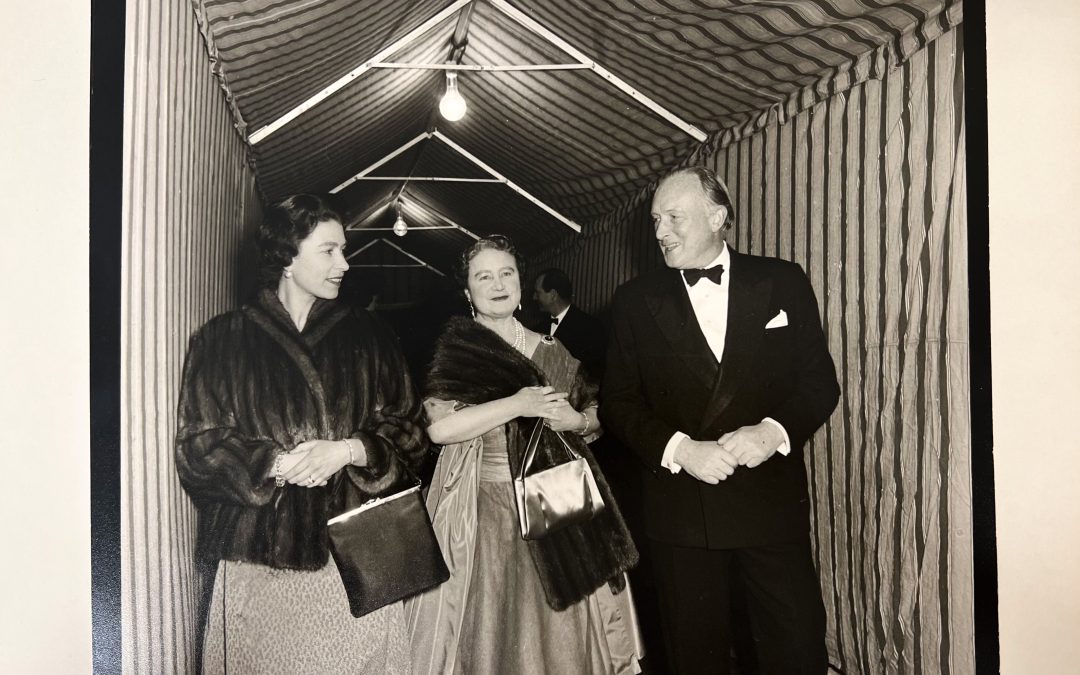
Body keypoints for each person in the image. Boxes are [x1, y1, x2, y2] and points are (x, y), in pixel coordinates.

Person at [601, 167, 840, 675]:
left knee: (794, 650)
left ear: (717, 216)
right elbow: (617, 404)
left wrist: (771, 431)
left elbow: (819, 384)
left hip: (770, 507)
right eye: (655, 220)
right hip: (682, 513)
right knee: (696, 656)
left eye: (674, 217)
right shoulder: (633, 302)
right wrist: (682, 450)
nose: (661, 231)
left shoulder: (782, 281)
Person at [175, 194, 426, 674]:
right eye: (329, 251)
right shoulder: (222, 339)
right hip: (260, 559)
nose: (344, 265)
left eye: (344, 250)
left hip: (356, 553)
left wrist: (351, 449)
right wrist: (272, 463)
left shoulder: (370, 336)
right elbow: (198, 448)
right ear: (287, 257)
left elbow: (411, 431)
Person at [405, 235, 643, 675]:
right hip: (485, 508)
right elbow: (440, 428)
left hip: (557, 502)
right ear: (467, 290)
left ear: (521, 282)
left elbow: (596, 411)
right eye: (484, 276)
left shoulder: (551, 350)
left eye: (507, 273)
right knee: (494, 631)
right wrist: (519, 403)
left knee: (565, 631)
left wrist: (579, 422)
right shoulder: (457, 350)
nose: (497, 284)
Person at [532, 267, 607, 379]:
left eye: (538, 293)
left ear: (553, 295)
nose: (534, 297)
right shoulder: (538, 329)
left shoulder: (591, 327)